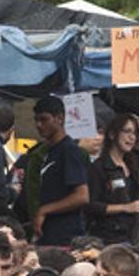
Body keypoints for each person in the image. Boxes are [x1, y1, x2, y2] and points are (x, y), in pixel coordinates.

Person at [14, 96, 90, 245]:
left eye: (44, 119)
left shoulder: (70, 151)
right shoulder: (45, 153)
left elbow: (82, 196)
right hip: (46, 234)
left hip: (65, 236)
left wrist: (44, 210)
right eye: (36, 120)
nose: (39, 125)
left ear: (59, 119)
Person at [86, 112, 139, 244]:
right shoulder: (98, 167)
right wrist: (125, 207)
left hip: (131, 236)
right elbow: (90, 206)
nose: (132, 137)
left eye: (135, 133)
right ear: (112, 135)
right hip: (107, 239)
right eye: (127, 131)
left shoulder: (133, 165)